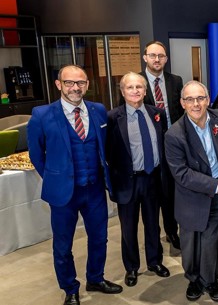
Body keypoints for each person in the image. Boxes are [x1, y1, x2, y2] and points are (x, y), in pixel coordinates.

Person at [27, 65, 123, 305]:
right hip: (63, 195)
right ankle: (70, 288)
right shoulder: (41, 115)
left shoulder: (99, 110)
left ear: (87, 85)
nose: (75, 88)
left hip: (94, 190)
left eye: (80, 83)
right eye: (69, 83)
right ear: (59, 85)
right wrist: (55, 176)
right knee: (63, 245)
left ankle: (95, 278)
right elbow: (36, 154)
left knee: (99, 238)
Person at [164, 80, 218, 301]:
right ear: (182, 103)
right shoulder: (174, 134)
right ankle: (193, 278)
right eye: (190, 99)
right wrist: (214, 185)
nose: (196, 104)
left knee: (211, 242)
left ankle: (209, 281)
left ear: (208, 100)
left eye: (200, 98)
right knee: (191, 245)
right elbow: (181, 173)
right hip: (191, 196)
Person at [106, 72, 170, 287]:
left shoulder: (157, 114)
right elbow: (107, 152)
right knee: (128, 228)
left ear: (145, 90)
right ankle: (132, 267)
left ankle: (154, 261)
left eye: (139, 87)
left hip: (152, 179)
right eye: (130, 87)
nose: (135, 91)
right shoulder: (113, 118)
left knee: (153, 224)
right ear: (122, 91)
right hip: (127, 181)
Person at [140, 40, 184, 249]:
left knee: (170, 192)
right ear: (145, 57)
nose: (157, 59)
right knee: (151, 196)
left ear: (166, 59)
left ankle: (171, 232)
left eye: (161, 56)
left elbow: (181, 112)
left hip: (172, 143)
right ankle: (152, 238)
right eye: (153, 55)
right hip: (147, 145)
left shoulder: (176, 81)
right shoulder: (136, 83)